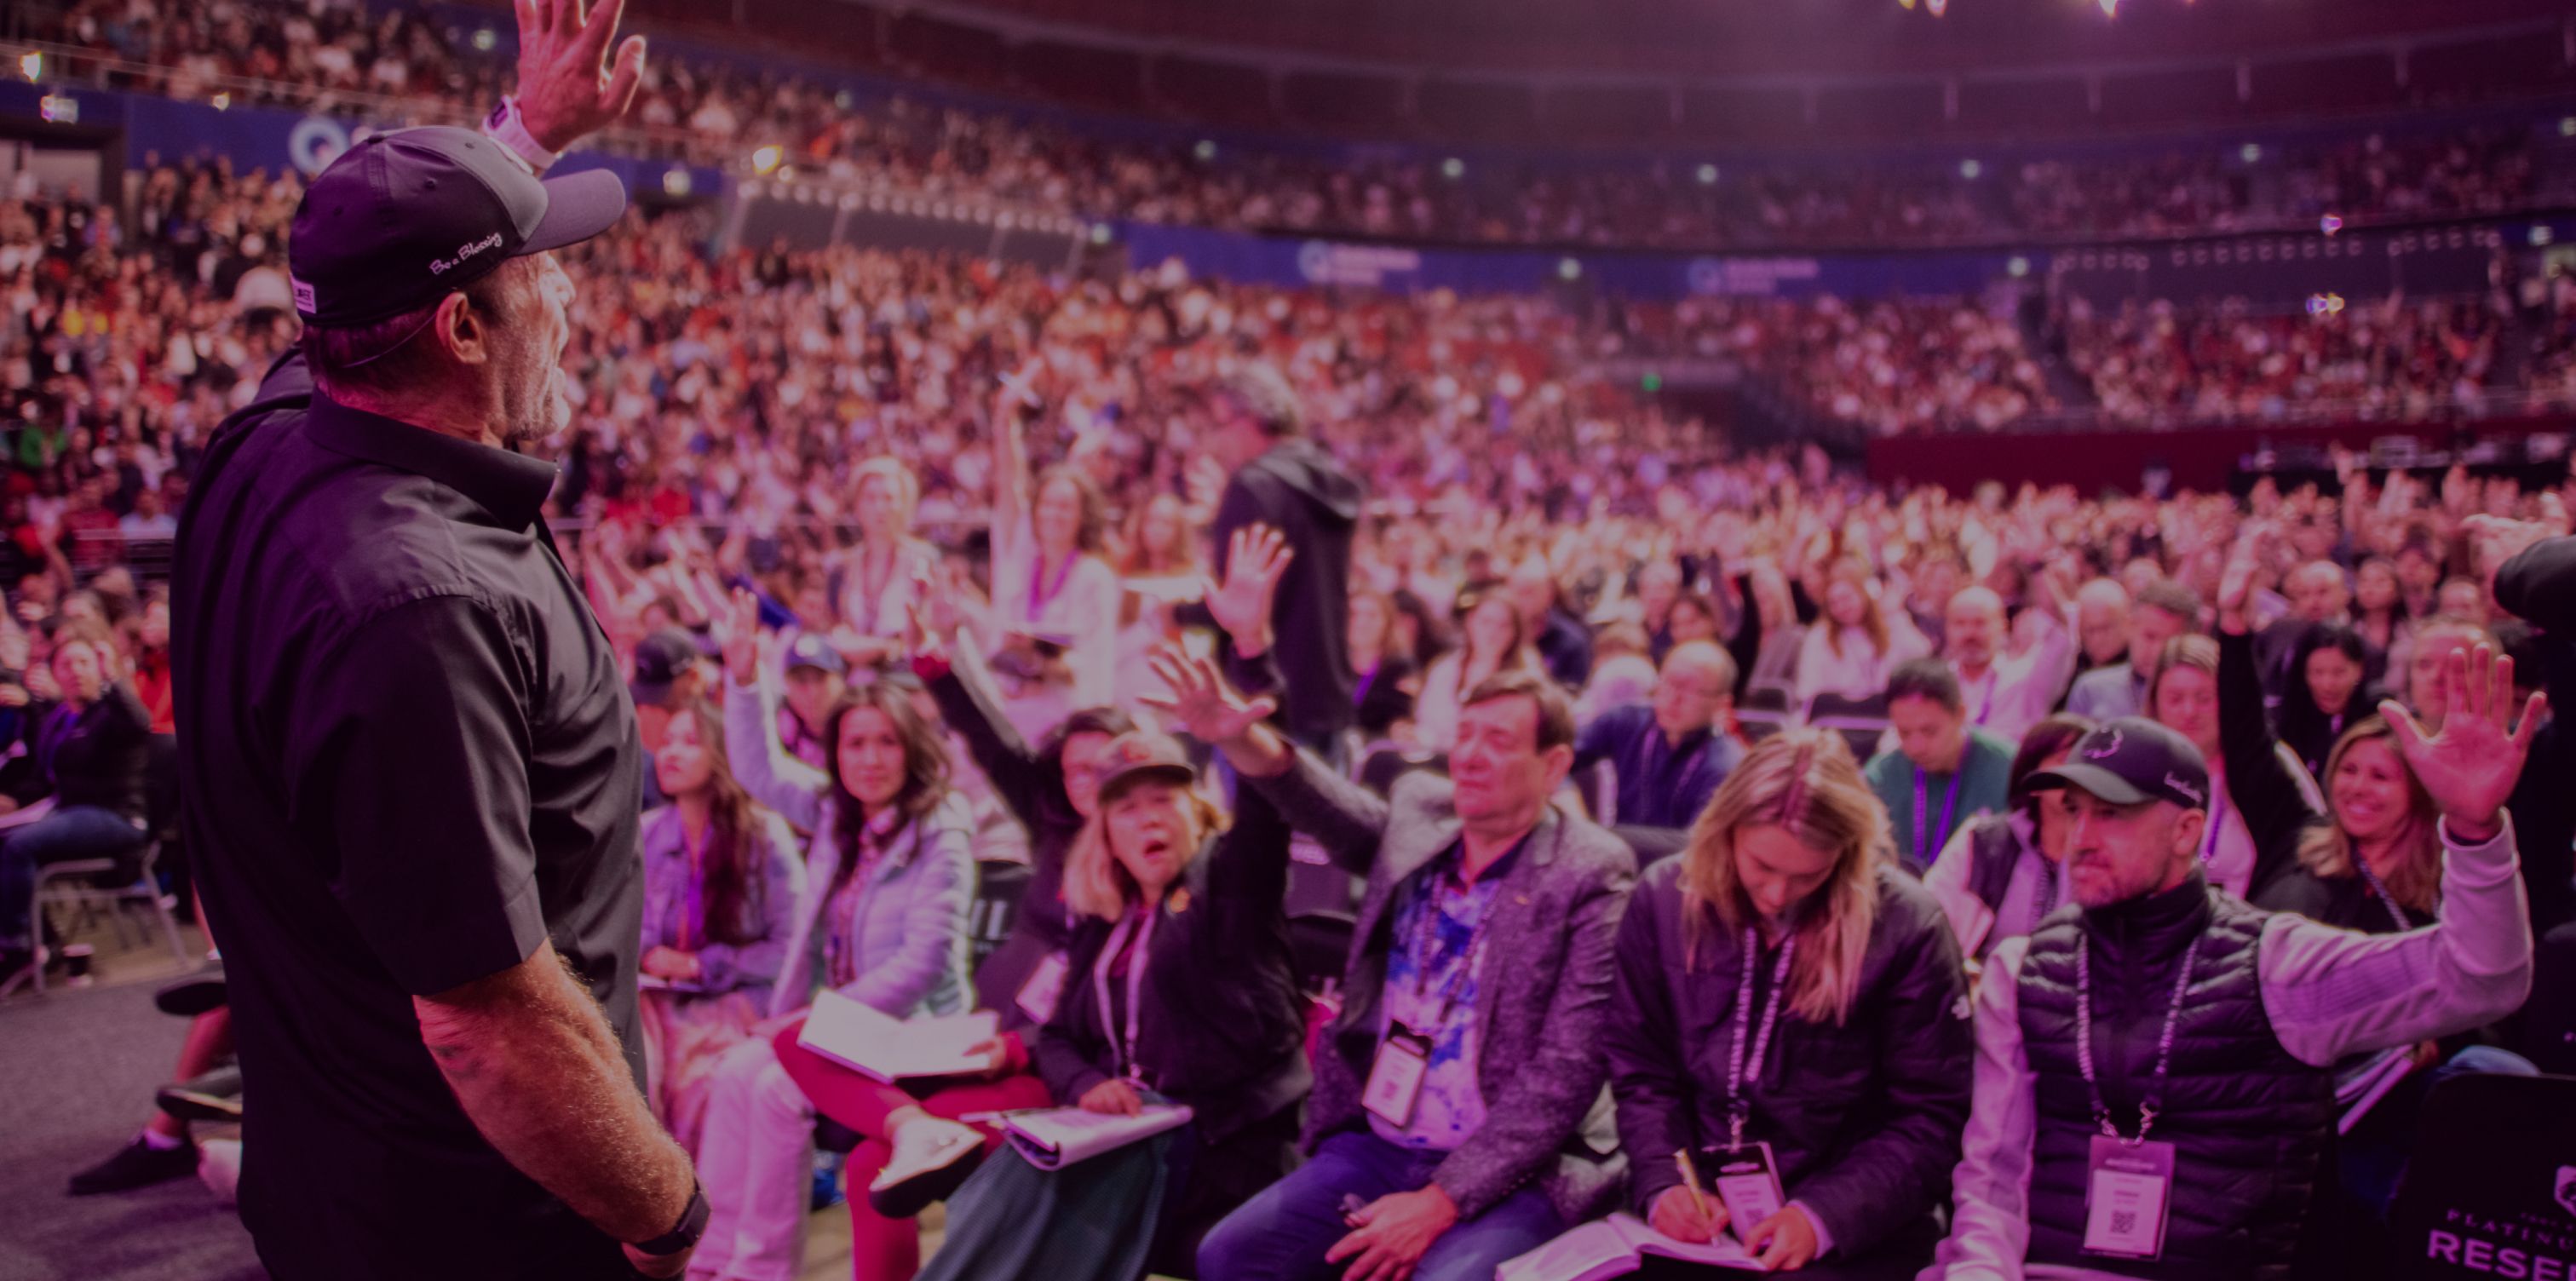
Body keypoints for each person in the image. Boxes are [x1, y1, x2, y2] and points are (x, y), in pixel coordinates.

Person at [164, 8, 707, 1274]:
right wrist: (663, 1210)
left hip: (344, 1174)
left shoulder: (269, 443)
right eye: (536, 273)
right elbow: (485, 1020)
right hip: (476, 1223)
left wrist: (521, 134)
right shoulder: (420, 610)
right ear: (462, 331)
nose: (566, 296)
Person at [1924, 693, 2539, 1281]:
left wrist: (2475, 830)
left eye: (2111, 813)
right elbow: (1991, 1181)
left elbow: (2484, 979)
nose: (2082, 836)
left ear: (2188, 831)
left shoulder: (2276, 965)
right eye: (2073, 809)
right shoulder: (2021, 968)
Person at [1188, 661, 1637, 1281]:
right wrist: (1238, 737)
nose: (1471, 756)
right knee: (1232, 1256)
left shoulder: (1588, 871)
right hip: (1383, 1142)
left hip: (1523, 1168)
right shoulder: (1422, 814)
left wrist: (1439, 1202)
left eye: (1500, 741)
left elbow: (1567, 1071)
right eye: (1467, 734)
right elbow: (1326, 808)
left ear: (1555, 766)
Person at [925, 715, 1310, 1281]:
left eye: (1163, 799)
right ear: (1106, 834)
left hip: (1220, 1143)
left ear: (1196, 811)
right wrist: (1087, 1085)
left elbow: (1263, 815)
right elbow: (1055, 1037)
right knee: (1013, 1179)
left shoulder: (1228, 891)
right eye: (1127, 808)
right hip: (1129, 1135)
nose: (1149, 817)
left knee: (1034, 1200)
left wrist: (1244, 690)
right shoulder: (1108, 918)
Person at [1600, 729, 1972, 1278]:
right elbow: (1643, 1072)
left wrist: (1823, 1217)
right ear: (1725, 832)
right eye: (1762, 866)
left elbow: (1931, 1119)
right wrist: (1664, 1184)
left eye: (1807, 876)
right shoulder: (1663, 899)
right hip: (1704, 1209)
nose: (1776, 894)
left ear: (1846, 856)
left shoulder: (1906, 927)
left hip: (1852, 1220)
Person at [692, 591, 980, 1281]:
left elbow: (923, 964)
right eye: (855, 744)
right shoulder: (833, 812)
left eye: (886, 742)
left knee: (773, 1089)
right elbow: (758, 770)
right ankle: (709, 1259)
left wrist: (813, 1019)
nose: (871, 759)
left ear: (911, 749)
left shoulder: (943, 826)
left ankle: (761, 1270)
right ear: (837, 753)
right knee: (733, 1073)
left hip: (913, 1029)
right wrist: (743, 678)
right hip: (836, 1030)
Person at [635, 698, 805, 1157]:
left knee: (700, 1086)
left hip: (737, 1001)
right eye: (667, 742)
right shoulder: (645, 832)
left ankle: (698, 1213)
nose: (671, 753)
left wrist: (700, 965)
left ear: (724, 755)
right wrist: (648, 951)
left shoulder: (765, 835)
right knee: (630, 1073)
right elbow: (618, 924)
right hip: (659, 999)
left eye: (690, 742)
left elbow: (790, 948)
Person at [1171, 363, 1365, 753]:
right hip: (1327, 691)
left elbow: (1234, 608)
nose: (1218, 440)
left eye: (1220, 424)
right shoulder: (1326, 477)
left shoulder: (1252, 487)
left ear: (1250, 419)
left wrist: (1174, 612)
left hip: (1268, 696)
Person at [0, 629, 152, 981]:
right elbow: (43, 777)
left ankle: (19, 946)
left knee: (22, 845)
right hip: (67, 813)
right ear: (56, 674)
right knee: (6, 842)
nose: (76, 670)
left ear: (99, 667)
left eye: (84, 661)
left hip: (116, 818)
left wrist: (113, 676)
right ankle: (45, 947)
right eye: (66, 664)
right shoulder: (60, 718)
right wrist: (11, 801)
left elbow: (140, 722)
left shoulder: (111, 712)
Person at [987, 365, 1120, 743]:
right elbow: (1009, 488)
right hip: (1013, 713)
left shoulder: (1094, 576)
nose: (1054, 515)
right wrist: (1005, 421)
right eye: (1047, 505)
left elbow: (1096, 664)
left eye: (1066, 507)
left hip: (1066, 720)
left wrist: (1044, 661)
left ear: (1084, 515)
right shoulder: (1021, 563)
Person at [1924, 715, 2094, 965]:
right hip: (1984, 990)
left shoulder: (2106, 849)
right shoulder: (1981, 842)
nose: (2077, 775)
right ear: (2034, 779)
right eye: (2064, 761)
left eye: (2086, 764)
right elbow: (1931, 922)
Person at [1573, 640, 1747, 855]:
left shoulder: (1726, 764)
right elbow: (1555, 758)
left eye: (1692, 690)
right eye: (1669, 683)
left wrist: (1596, 836)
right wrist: (1566, 797)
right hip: (1614, 859)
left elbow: (1696, 844)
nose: (1674, 698)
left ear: (1721, 703)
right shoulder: (1627, 720)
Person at [1862, 660, 2015, 874]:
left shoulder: (2009, 768)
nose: (1916, 747)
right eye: (1904, 733)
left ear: (1960, 715)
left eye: (1929, 731)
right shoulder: (1879, 778)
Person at [833, 457, 940, 669]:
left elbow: (930, 631)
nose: (880, 507)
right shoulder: (844, 565)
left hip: (905, 673)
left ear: (904, 504)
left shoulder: (922, 559)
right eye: (870, 498)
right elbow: (839, 627)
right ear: (856, 506)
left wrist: (881, 648)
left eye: (889, 498)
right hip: (855, 675)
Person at [1415, 587, 1541, 755]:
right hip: (1438, 756)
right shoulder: (1445, 670)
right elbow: (1426, 722)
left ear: (1514, 633)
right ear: (1470, 622)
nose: (1492, 632)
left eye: (1503, 626)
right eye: (1486, 622)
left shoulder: (1526, 679)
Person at [1944, 584, 2074, 745]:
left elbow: (2058, 628)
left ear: (2003, 626)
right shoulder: (1937, 686)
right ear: (1947, 629)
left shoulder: (2026, 680)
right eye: (1960, 624)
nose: (1970, 633)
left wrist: (2038, 568)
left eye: (1980, 623)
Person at [1794, 559, 1931, 709]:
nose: (1841, 607)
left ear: (1863, 594)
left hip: (1884, 712)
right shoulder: (1819, 636)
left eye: (1846, 598)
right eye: (1833, 603)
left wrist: (1897, 615)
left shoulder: (1890, 625)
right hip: (1837, 714)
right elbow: (1808, 689)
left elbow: (1920, 653)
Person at [2063, 579, 2196, 723]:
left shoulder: (2195, 701)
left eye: (2169, 642)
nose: (2157, 651)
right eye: (2150, 637)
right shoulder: (2090, 690)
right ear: (2130, 626)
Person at [2275, 624, 2369, 781]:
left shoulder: (2374, 714)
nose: (2328, 685)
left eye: (2339, 672)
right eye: (2318, 673)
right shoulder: (2290, 719)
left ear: (2359, 671)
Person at [1347, 587, 1420, 748]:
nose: (1361, 622)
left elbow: (1403, 720)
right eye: (1353, 614)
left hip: (1375, 750)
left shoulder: (1400, 668)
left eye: (1371, 615)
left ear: (1387, 622)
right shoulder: (1334, 663)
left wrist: (1400, 730)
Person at [1510, 555, 1596, 692]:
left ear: (1548, 595)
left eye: (1528, 592)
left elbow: (1575, 695)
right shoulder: (1500, 632)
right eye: (1515, 592)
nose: (1519, 600)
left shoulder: (1572, 642)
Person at [777, 632, 849, 774]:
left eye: (820, 679)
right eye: (801, 680)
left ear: (841, 681)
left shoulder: (857, 726)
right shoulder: (777, 731)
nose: (812, 692)